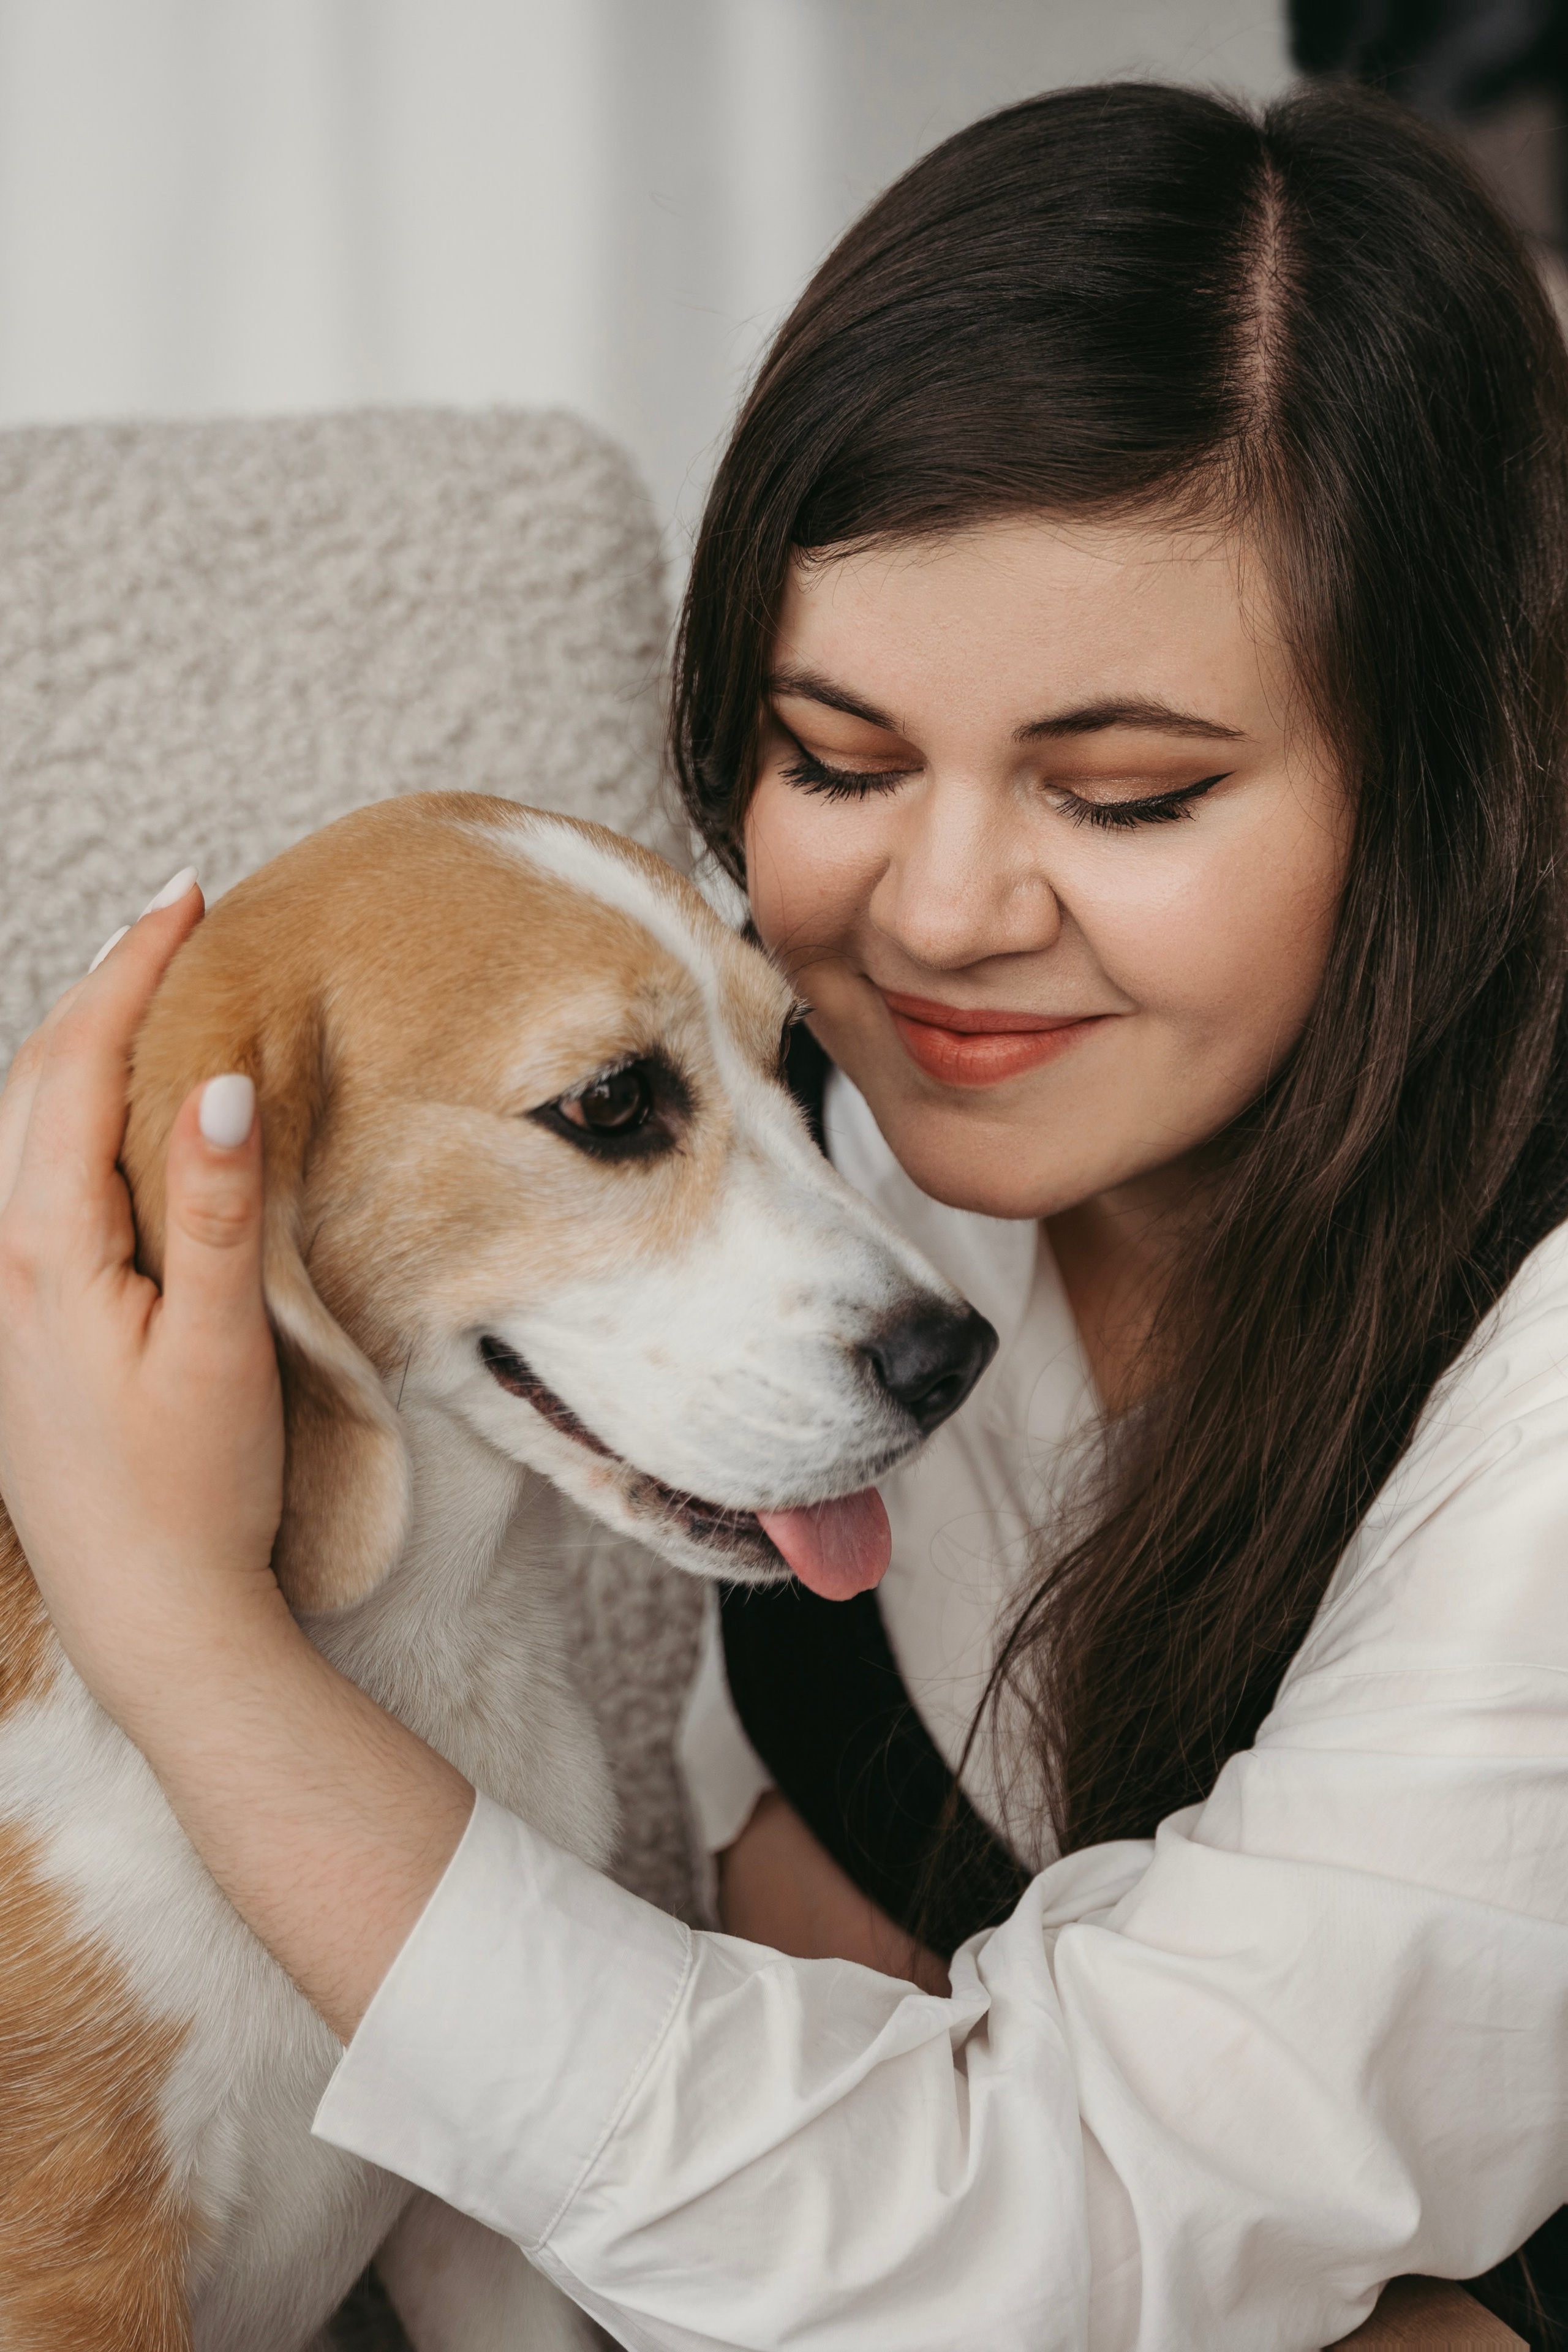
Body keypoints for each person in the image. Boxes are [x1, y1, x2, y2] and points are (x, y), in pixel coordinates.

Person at [3, 77, 1568, 2352]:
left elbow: (1016, 2236)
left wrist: (182, 1635)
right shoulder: (850, 1142)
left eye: (1127, 792)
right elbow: (766, 2085)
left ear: (1449, 787)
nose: (933, 920)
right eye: (832, 760)